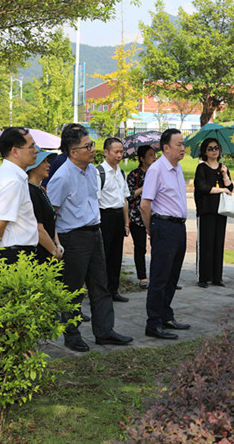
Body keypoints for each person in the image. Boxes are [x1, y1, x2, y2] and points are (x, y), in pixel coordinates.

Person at [47, 124, 133, 352]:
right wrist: (56, 243)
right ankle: (72, 334)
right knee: (73, 289)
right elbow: (51, 213)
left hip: (94, 233)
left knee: (100, 285)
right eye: (87, 146)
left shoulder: (92, 171)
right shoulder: (62, 176)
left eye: (92, 144)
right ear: (73, 151)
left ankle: (104, 331)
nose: (92, 149)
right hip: (72, 237)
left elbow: (92, 202)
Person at [140, 128, 191, 340]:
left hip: (178, 227)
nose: (183, 148)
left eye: (183, 144)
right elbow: (145, 204)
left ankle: (165, 315)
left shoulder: (177, 168)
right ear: (166, 147)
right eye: (179, 144)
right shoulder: (156, 169)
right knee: (160, 277)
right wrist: (151, 229)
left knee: (172, 276)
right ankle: (153, 323)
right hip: (163, 226)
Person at [0, 127, 39, 264]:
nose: (36, 151)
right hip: (12, 256)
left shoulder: (6, 174)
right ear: (15, 151)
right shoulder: (12, 181)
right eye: (31, 146)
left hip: (11, 253)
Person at [194, 137, 234, 288]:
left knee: (219, 243)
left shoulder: (223, 168)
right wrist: (222, 189)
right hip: (207, 210)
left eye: (216, 147)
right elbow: (203, 187)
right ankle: (204, 277)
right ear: (205, 151)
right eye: (210, 148)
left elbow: (230, 189)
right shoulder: (202, 168)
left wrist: (225, 175)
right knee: (206, 243)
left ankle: (217, 277)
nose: (214, 151)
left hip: (221, 211)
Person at [97, 137, 130, 303]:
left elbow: (125, 199)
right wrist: (97, 224)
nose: (119, 155)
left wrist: (126, 222)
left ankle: (113, 290)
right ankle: (101, 292)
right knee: (104, 256)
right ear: (106, 152)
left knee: (116, 256)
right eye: (116, 152)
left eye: (121, 152)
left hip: (118, 218)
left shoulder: (121, 172)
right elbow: (94, 201)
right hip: (105, 217)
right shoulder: (99, 173)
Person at [127, 145, 157, 290]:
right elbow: (129, 195)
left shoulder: (157, 173)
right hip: (137, 216)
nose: (154, 157)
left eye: (154, 154)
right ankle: (142, 277)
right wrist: (146, 186)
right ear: (142, 158)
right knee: (140, 247)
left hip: (156, 214)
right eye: (150, 155)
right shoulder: (134, 174)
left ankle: (160, 276)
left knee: (158, 247)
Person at [26, 147, 62, 264]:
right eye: (44, 162)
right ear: (33, 166)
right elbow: (38, 228)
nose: (48, 165)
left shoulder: (40, 189)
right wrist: (54, 251)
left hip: (49, 250)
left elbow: (51, 219)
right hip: (39, 255)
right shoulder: (30, 191)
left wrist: (57, 245)